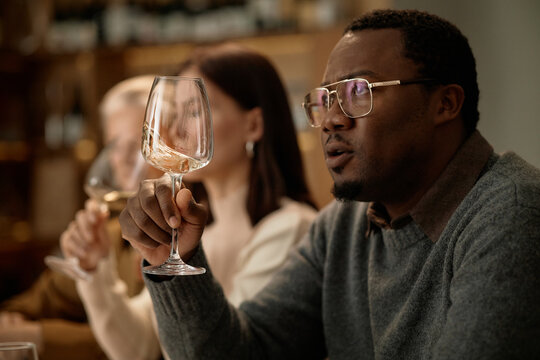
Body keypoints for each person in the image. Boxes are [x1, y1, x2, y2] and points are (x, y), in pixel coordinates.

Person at [119, 9, 540, 360]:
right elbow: (239, 352)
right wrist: (175, 260)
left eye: (359, 91)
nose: (333, 119)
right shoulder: (342, 226)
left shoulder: (512, 216)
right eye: (324, 99)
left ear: (445, 104)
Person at [60, 42, 318, 360]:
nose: (176, 130)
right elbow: (140, 347)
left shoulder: (291, 228)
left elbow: (224, 348)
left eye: (195, 111)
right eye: (176, 113)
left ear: (253, 125)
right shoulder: (195, 230)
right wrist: (96, 269)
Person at [0, 75, 158, 360]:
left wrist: (36, 336)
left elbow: (153, 345)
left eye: (137, 145)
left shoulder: (187, 240)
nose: (121, 160)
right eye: (114, 145)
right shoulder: (110, 233)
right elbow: (34, 304)